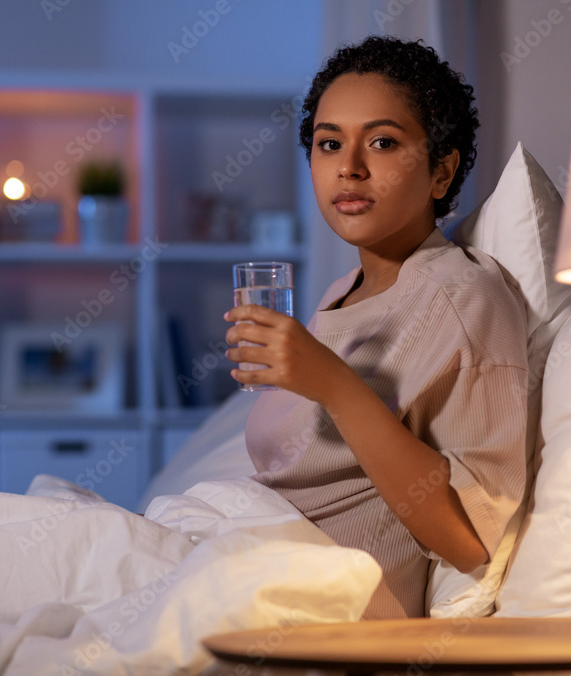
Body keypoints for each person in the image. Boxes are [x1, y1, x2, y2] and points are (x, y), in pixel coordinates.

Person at [223, 35, 529, 619]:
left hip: (322, 594)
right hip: (251, 546)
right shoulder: (343, 293)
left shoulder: (464, 296)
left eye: (383, 142)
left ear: (441, 172)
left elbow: (470, 540)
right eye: (328, 143)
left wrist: (335, 384)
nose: (349, 167)